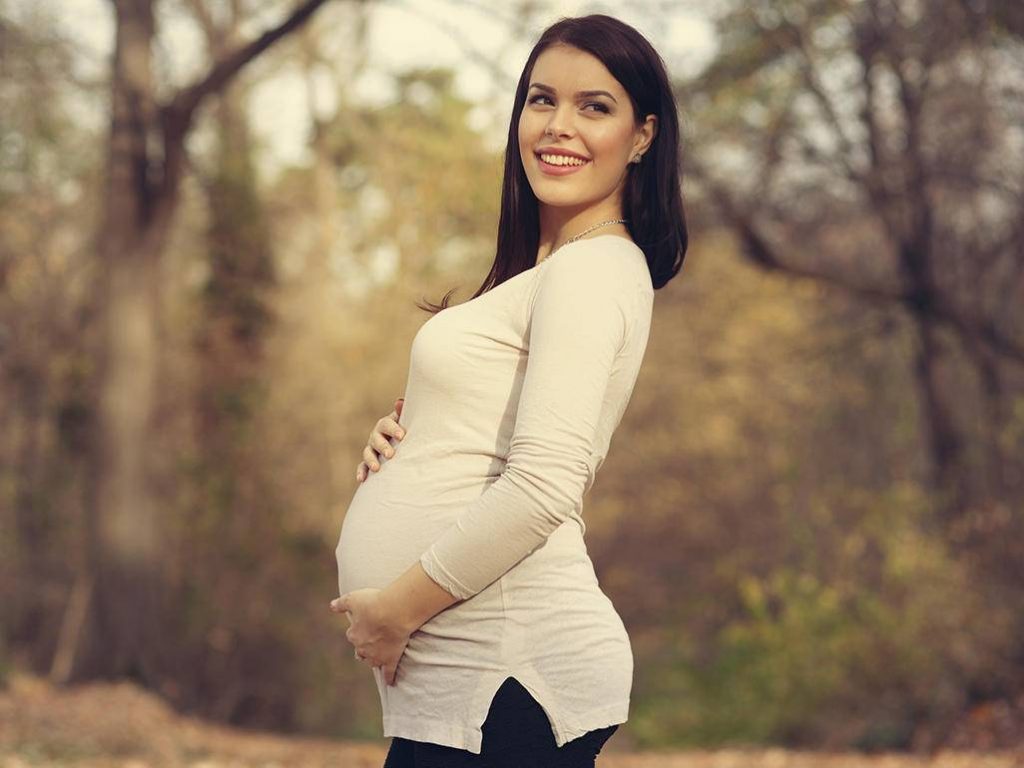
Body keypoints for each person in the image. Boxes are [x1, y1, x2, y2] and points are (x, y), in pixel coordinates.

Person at [330, 12, 687, 767]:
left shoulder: (593, 269)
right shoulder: (550, 272)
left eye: (595, 107)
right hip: (480, 685)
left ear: (643, 137)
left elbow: (543, 484)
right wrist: (408, 440)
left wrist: (395, 611)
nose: (559, 126)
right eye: (541, 99)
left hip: (511, 677)